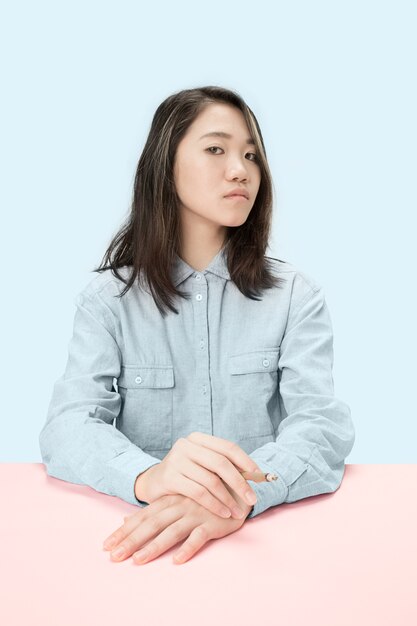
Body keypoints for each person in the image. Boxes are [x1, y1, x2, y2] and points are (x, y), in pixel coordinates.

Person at [39, 85, 355, 565]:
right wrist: (150, 478)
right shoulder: (108, 301)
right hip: (134, 553)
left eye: (251, 154)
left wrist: (236, 499)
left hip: (271, 553)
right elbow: (67, 427)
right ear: (166, 167)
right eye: (216, 149)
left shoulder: (295, 296)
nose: (240, 170)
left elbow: (320, 427)